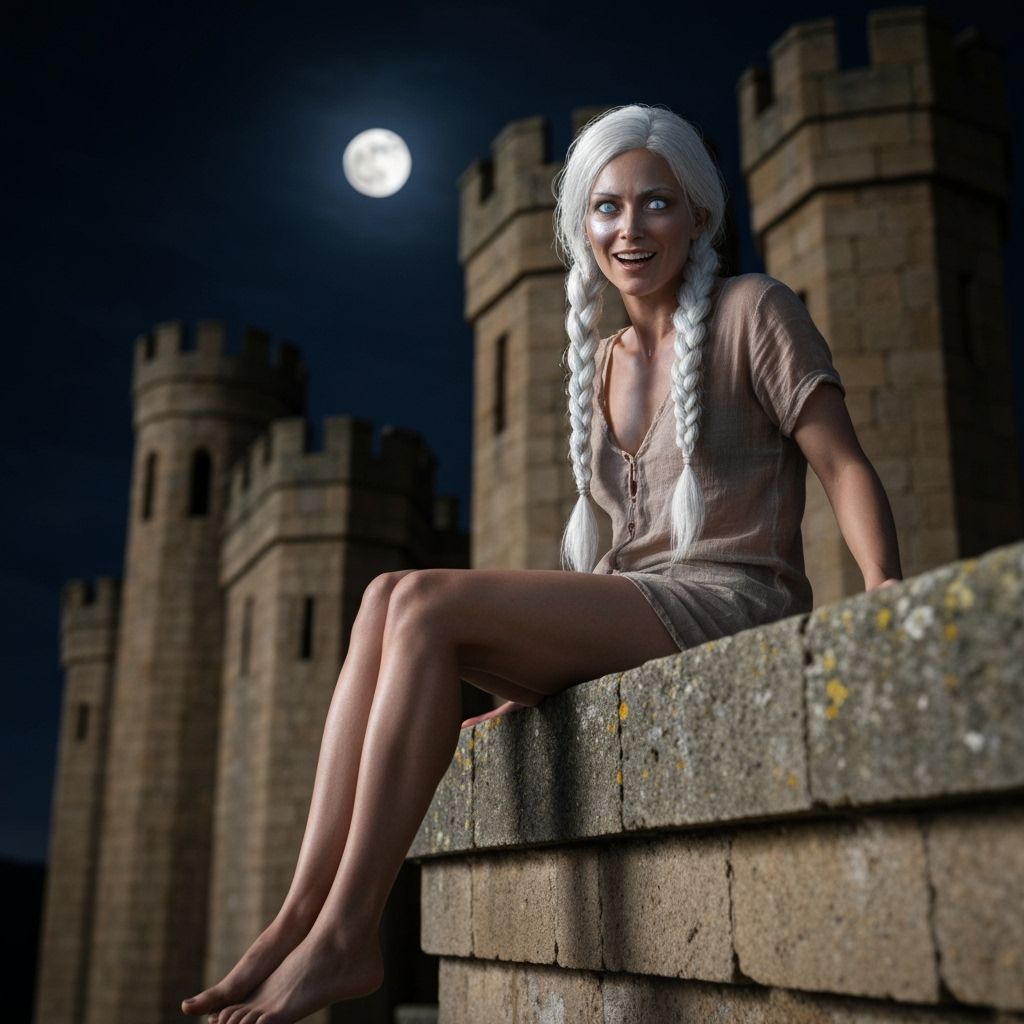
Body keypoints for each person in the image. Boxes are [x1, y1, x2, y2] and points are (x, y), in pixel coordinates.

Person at [181, 103, 902, 1024]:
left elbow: (842, 463)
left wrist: (881, 594)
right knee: (385, 595)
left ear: (699, 216)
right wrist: (537, 665)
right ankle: (294, 919)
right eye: (606, 208)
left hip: (735, 602)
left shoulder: (755, 310)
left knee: (427, 603)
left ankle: (346, 936)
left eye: (655, 204)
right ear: (580, 225)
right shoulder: (602, 362)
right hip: (639, 610)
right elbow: (619, 556)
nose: (629, 229)